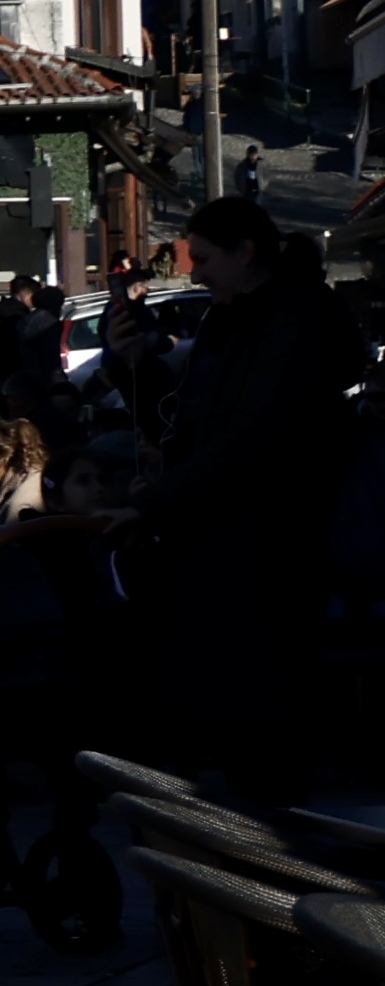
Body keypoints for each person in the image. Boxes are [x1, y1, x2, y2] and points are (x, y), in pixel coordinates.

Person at [123, 192, 363, 794]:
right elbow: (188, 420)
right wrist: (133, 366)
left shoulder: (293, 320)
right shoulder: (232, 318)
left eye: (204, 259)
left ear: (244, 252)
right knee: (226, 715)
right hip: (220, 536)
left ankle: (265, 851)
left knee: (257, 722)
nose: (195, 273)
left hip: (266, 538)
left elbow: (251, 434)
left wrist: (153, 500)